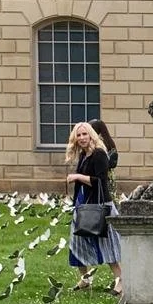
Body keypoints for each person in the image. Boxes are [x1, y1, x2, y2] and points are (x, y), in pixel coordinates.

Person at [66, 120, 122, 293]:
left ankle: (121, 282)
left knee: (107, 246)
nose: (82, 137)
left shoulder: (99, 154)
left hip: (100, 206)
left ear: (91, 135)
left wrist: (77, 177)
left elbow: (100, 182)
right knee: (77, 243)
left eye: (85, 134)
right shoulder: (84, 155)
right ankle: (85, 279)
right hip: (84, 205)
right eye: (79, 134)